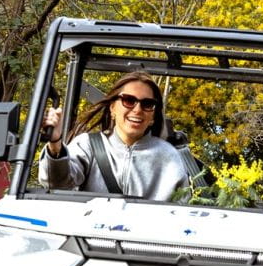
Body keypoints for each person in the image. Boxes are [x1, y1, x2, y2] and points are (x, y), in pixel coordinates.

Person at [38, 71, 189, 199]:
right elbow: (56, 184)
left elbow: (182, 213)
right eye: (128, 100)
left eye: (147, 104)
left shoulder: (169, 157)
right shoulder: (87, 145)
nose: (137, 110)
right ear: (112, 108)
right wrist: (55, 144)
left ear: (153, 116)